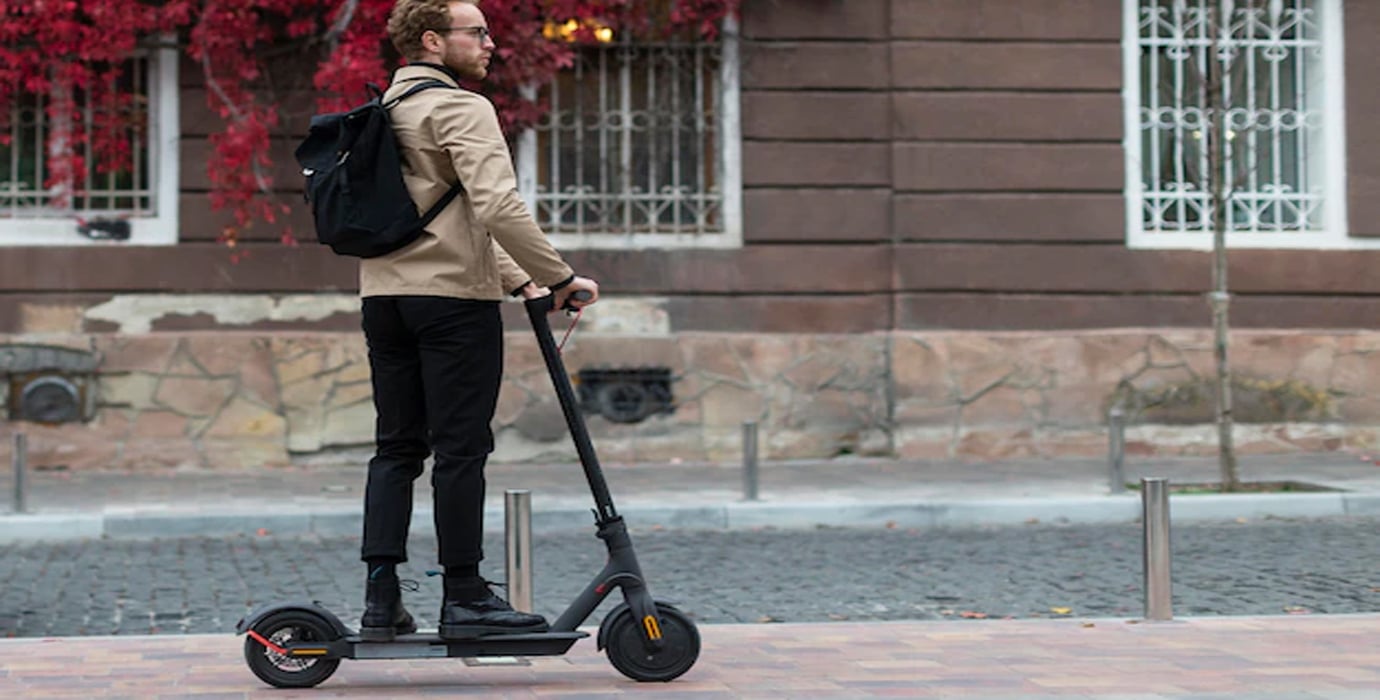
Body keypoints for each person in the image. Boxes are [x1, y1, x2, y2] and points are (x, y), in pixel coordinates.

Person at [358, 0, 599, 642]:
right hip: (452, 305)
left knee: (396, 448)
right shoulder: (462, 107)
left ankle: (382, 598)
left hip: (384, 301)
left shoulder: (384, 110)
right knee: (461, 449)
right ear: (434, 42)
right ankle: (464, 595)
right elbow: (496, 203)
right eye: (479, 33)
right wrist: (560, 276)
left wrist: (520, 280)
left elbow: (442, 214)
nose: (492, 43)